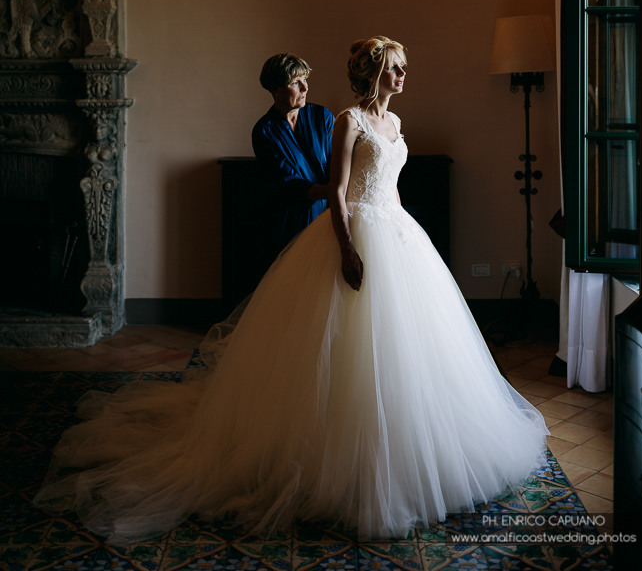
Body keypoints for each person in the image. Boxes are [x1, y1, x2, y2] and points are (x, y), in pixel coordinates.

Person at [34, 36, 548, 543]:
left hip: (398, 232)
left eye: (403, 67)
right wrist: (347, 247)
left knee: (407, 348)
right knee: (331, 342)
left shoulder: (385, 122)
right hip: (340, 226)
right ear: (373, 74)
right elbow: (335, 189)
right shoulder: (337, 121)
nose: (402, 75)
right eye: (394, 67)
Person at [252, 53, 334, 253]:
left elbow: (338, 162)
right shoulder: (264, 131)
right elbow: (288, 182)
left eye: (305, 79)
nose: (305, 87)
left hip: (332, 215)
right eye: (296, 82)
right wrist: (334, 191)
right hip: (292, 222)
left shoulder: (322, 117)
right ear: (275, 88)